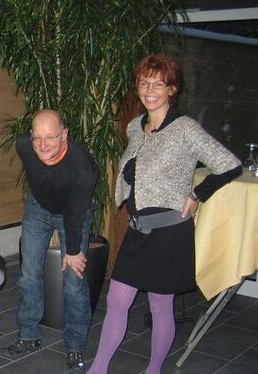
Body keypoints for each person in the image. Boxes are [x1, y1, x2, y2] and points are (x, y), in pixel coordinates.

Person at [87, 54, 241, 374]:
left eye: (159, 83)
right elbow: (137, 168)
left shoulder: (184, 128)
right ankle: (98, 369)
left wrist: (198, 194)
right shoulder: (135, 126)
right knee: (116, 301)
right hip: (138, 229)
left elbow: (228, 164)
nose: (150, 89)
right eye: (145, 83)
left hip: (170, 233)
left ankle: (154, 369)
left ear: (172, 89)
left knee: (160, 305)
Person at [5, 110, 98, 372]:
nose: (43, 145)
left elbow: (76, 211)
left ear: (65, 134)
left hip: (72, 213)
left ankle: (75, 346)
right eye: (37, 138)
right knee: (28, 275)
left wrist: (72, 251)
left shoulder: (83, 167)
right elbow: (32, 148)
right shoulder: (24, 146)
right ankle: (28, 335)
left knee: (73, 282)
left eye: (50, 137)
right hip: (38, 208)